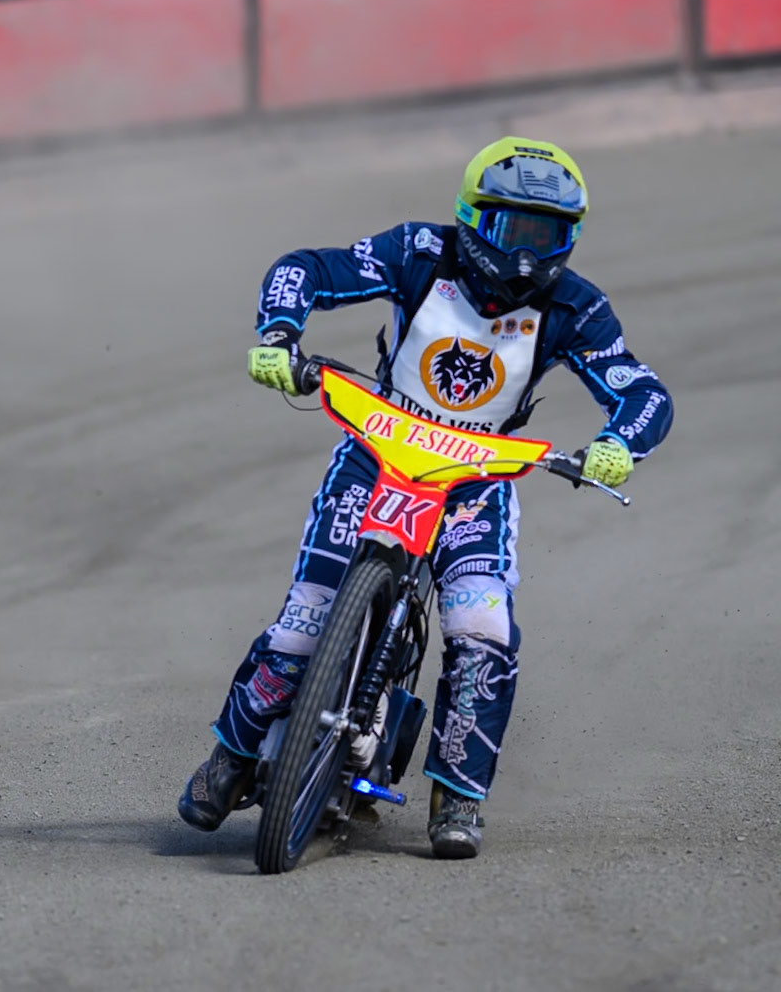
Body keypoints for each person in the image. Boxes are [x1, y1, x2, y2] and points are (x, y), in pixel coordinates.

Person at [178, 137, 673, 858]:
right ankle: (230, 753)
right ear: (471, 218)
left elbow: (643, 390)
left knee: (481, 625)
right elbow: (304, 268)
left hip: (477, 482)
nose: (527, 256)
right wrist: (279, 336)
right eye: (512, 229)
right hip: (375, 457)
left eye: (547, 236)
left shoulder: (578, 307)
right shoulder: (417, 251)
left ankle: (458, 795)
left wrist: (619, 444)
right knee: (302, 624)